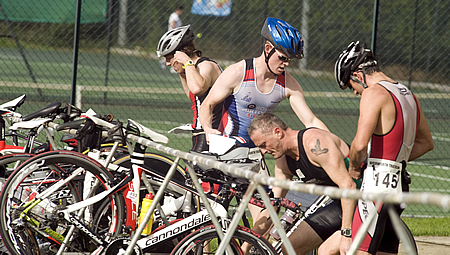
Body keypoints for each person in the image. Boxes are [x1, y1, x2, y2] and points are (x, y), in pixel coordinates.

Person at [198, 17, 329, 252]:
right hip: (225, 155)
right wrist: (208, 132)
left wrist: (336, 146)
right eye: (283, 57)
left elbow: (310, 121)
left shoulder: (287, 83)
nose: (286, 64)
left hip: (253, 160)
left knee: (267, 217)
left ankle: (242, 251)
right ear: (268, 49)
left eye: (290, 60)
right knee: (209, 223)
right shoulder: (238, 71)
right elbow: (207, 106)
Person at [335, 41, 434, 254]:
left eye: (351, 85)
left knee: (358, 249)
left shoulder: (374, 93)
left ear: (358, 75)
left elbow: (359, 144)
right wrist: (396, 159)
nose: (355, 93)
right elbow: (427, 143)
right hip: (399, 184)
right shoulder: (409, 94)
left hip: (376, 184)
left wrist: (353, 169)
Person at [247, 112, 359, 255]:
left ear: (278, 132)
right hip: (341, 205)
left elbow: (348, 186)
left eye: (263, 145)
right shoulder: (284, 162)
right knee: (289, 248)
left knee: (325, 251)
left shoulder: (314, 143)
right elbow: (272, 205)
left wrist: (346, 233)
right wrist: (247, 245)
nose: (263, 152)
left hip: (367, 201)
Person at [157, 25, 223, 152]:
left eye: (169, 58)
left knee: (194, 170)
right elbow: (192, 94)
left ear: (182, 54)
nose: (167, 63)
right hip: (201, 131)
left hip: (212, 132)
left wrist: (187, 63)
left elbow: (198, 88)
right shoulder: (191, 68)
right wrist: (182, 71)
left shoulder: (205, 66)